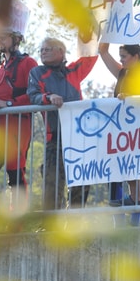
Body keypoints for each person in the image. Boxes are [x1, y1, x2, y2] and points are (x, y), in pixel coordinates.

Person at [27, 37, 98, 211]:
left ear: (61, 52)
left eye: (48, 49)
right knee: (52, 183)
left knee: (81, 182)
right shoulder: (37, 72)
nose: (43, 52)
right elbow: (33, 95)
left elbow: (90, 55)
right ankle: (50, 226)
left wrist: (87, 28)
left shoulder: (73, 71)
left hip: (79, 137)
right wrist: (49, 97)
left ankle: (74, 224)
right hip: (55, 138)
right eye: (41, 50)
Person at [0, 3, 38, 190]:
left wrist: (9, 103)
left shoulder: (28, 63)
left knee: (16, 176)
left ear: (15, 38)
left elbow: (34, 94)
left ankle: (17, 219)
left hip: (16, 125)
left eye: (3, 37)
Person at [98, 41, 140, 210]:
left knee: (134, 162)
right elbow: (103, 52)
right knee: (126, 162)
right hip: (123, 127)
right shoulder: (122, 73)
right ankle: (133, 198)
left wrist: (131, 96)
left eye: (124, 57)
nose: (122, 60)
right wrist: (108, 31)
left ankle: (137, 199)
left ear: (136, 57)